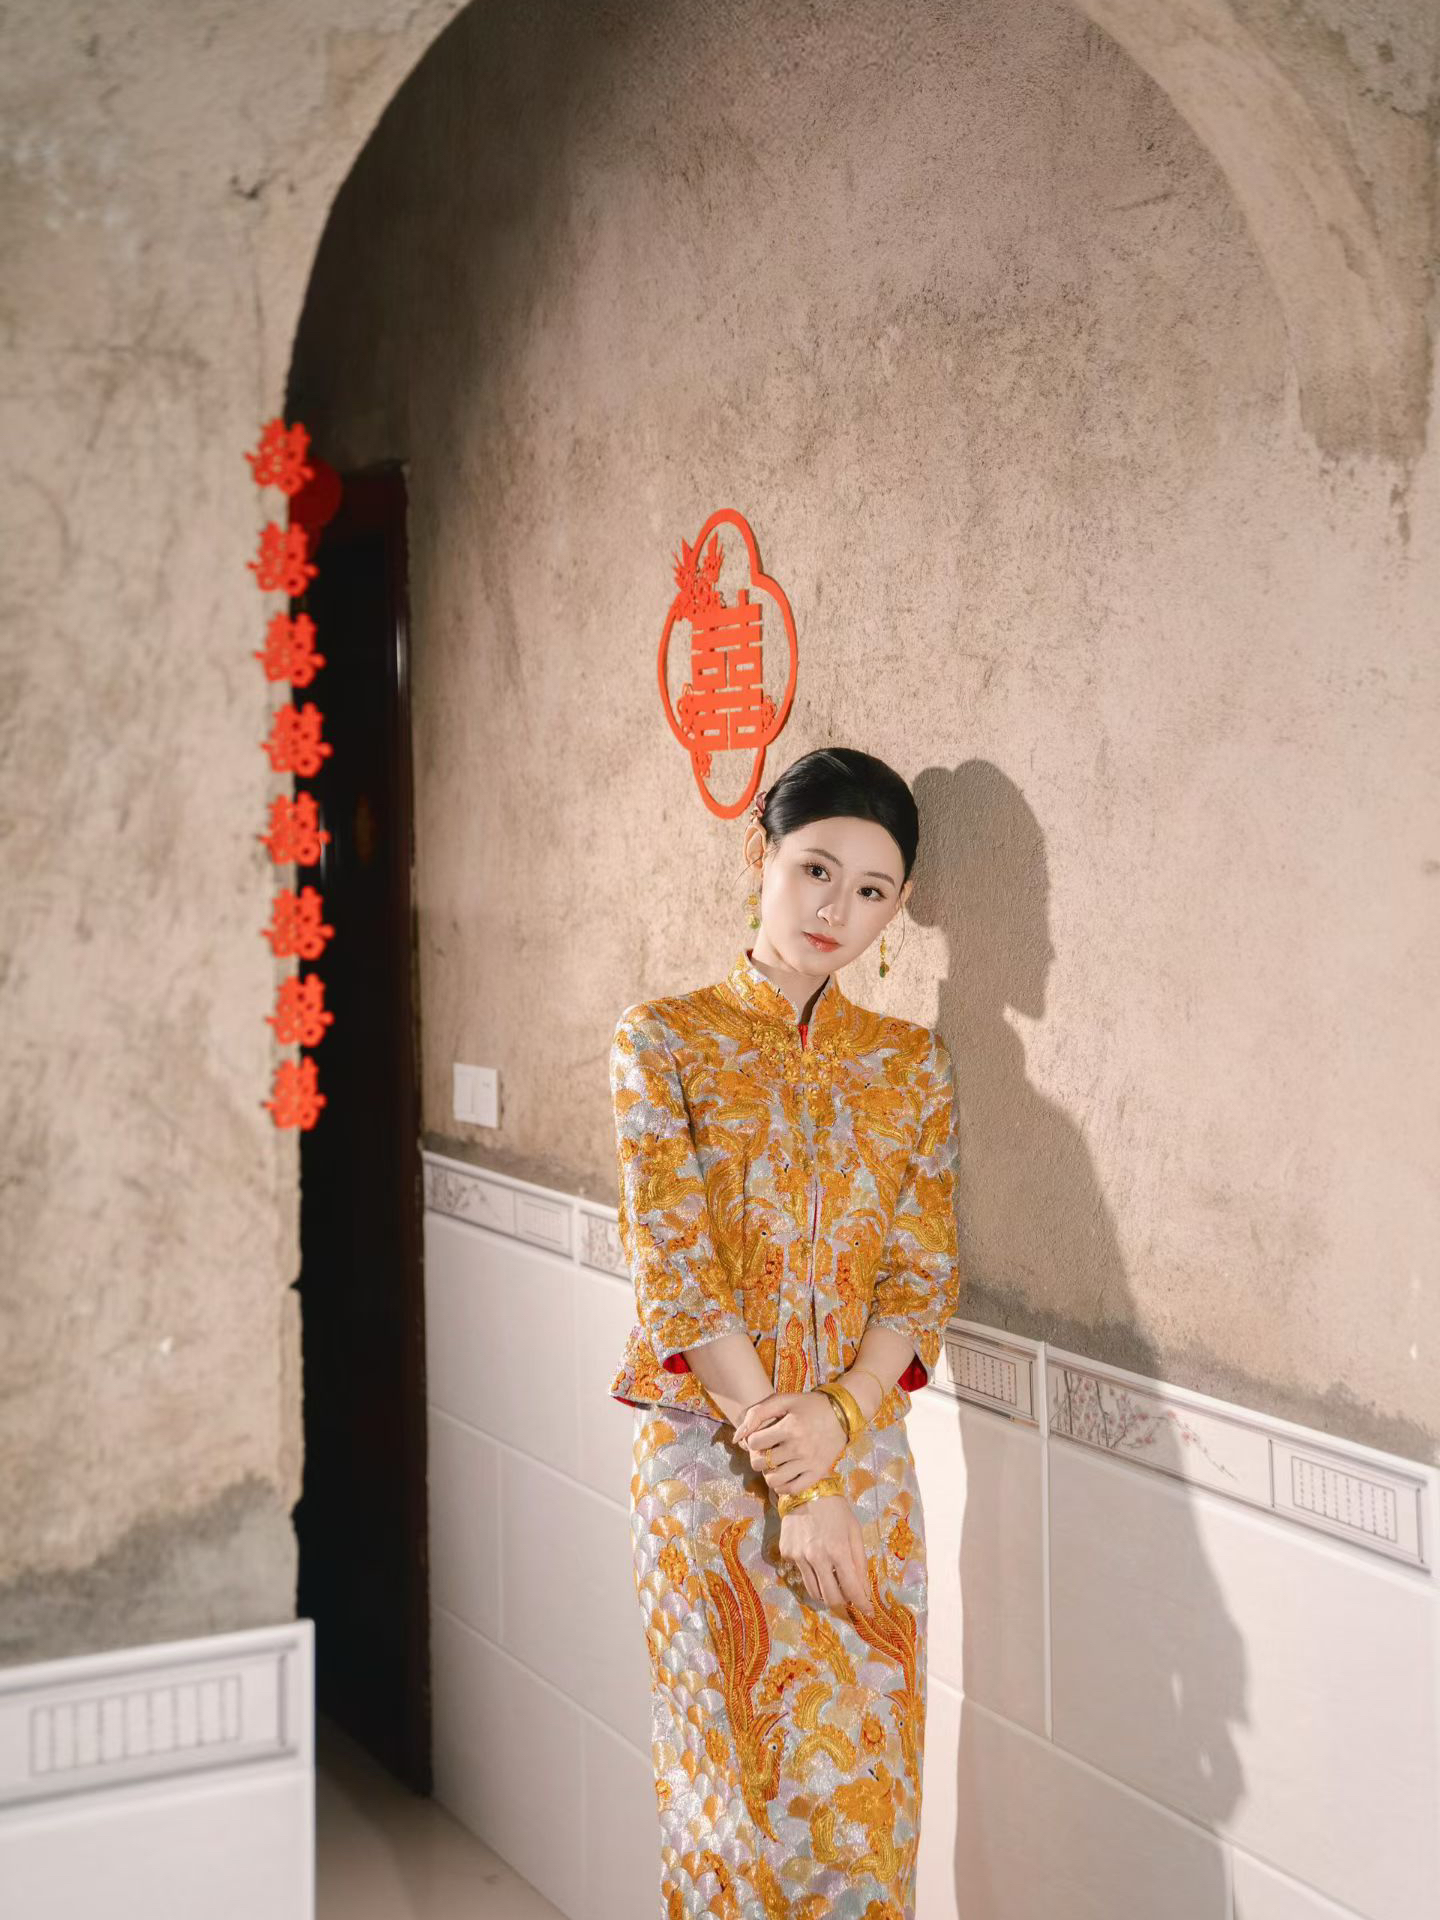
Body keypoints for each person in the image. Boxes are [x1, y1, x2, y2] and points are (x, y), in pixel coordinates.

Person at [608, 745, 962, 1920]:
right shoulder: (662, 1040)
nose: (835, 909)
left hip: (866, 1471)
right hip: (713, 1468)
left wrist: (842, 1423)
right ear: (758, 857)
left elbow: (919, 1276)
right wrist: (799, 1478)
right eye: (815, 869)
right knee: (731, 1807)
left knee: (868, 1794)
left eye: (871, 890)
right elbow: (679, 1279)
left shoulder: (912, 1068)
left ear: (900, 908)